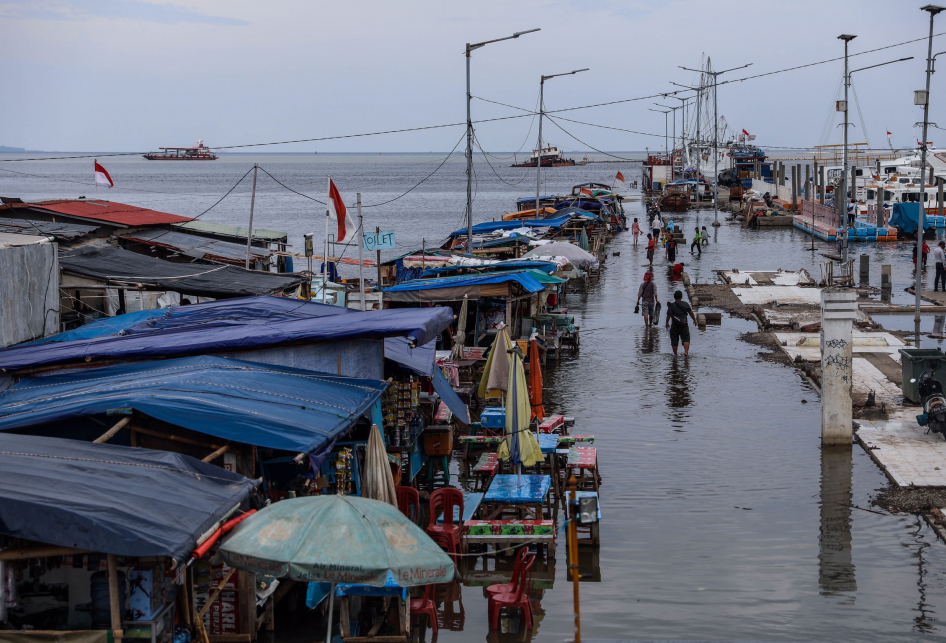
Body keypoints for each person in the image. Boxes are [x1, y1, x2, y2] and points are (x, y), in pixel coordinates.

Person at [665, 290, 697, 356]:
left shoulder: (672, 306)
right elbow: (691, 312)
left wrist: (667, 322)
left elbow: (668, 315)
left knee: (674, 340)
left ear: (674, 297)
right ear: (681, 297)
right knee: (686, 338)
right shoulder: (685, 304)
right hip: (684, 325)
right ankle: (686, 352)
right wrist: (694, 320)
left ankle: (675, 354)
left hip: (674, 325)